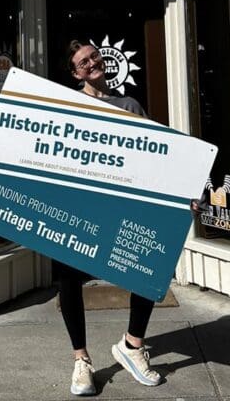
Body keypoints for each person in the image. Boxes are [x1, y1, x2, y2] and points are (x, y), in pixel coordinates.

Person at [59, 39, 162, 396]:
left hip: (123, 204)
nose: (91, 64)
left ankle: (132, 346)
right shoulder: (66, 104)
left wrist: (184, 193)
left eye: (94, 57)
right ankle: (81, 361)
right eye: (83, 63)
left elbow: (157, 155)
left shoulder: (129, 105)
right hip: (80, 204)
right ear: (76, 74)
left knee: (146, 265)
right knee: (68, 276)